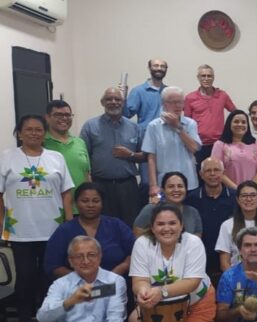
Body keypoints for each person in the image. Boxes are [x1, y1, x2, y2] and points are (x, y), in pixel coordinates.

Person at [0, 115, 74, 322]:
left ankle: (46, 320)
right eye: (29, 129)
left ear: (44, 133)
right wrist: (1, 221)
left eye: (39, 130)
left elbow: (67, 191)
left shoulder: (55, 158)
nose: (34, 133)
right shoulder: (8, 157)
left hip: (53, 229)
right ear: (19, 133)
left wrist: (68, 220)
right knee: (25, 278)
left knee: (50, 276)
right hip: (21, 231)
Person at [127, 204, 216, 322]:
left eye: (172, 223)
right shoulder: (141, 243)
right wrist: (143, 292)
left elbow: (191, 283)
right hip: (161, 305)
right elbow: (139, 281)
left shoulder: (193, 242)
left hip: (196, 302)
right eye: (160, 224)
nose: (166, 228)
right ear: (152, 227)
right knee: (135, 320)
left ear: (181, 226)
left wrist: (161, 292)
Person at [44, 183, 135, 282]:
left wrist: (117, 271)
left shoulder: (116, 225)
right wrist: (80, 281)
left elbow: (135, 252)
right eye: (85, 201)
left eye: (96, 201)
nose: (90, 205)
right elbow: (53, 265)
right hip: (75, 288)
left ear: (102, 203)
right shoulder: (64, 230)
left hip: (116, 283)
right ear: (76, 203)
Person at [80, 87, 143, 226]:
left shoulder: (134, 127)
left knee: (129, 224)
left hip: (127, 186)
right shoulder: (90, 126)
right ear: (102, 102)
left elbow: (145, 156)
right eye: (109, 99)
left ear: (123, 102)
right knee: (102, 225)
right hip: (100, 185)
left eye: (117, 99)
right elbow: (83, 157)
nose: (113, 102)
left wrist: (130, 155)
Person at [142, 86, 201, 199]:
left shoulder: (190, 124)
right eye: (173, 102)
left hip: (189, 183)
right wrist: (153, 185)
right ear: (164, 104)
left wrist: (178, 127)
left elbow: (194, 148)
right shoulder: (154, 126)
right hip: (164, 185)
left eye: (180, 102)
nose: (178, 106)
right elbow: (151, 158)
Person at [124, 58, 168, 204]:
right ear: (149, 68)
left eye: (162, 66)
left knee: (165, 181)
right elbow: (126, 114)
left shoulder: (168, 92)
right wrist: (122, 97)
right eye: (156, 65)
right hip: (146, 143)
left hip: (166, 141)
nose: (159, 68)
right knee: (147, 183)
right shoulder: (138, 91)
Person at [185, 158, 236, 284]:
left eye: (216, 170)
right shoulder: (191, 198)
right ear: (201, 175)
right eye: (208, 171)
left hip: (230, 259)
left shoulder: (235, 197)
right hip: (201, 259)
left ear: (223, 173)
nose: (212, 174)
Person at [215, 181, 257, 270]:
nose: (249, 199)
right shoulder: (227, 225)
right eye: (244, 196)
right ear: (238, 199)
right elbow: (224, 262)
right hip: (236, 279)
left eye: (253, 195)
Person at [184, 64, 237, 172]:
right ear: (198, 78)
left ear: (213, 78)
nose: (206, 79)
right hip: (199, 145)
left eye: (209, 76)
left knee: (219, 175)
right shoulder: (190, 98)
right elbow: (186, 123)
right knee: (201, 175)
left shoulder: (222, 95)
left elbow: (235, 113)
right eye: (203, 76)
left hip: (219, 144)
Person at [43, 100, 91, 199]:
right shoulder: (41, 143)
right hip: (54, 207)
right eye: (58, 115)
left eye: (68, 115)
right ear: (47, 118)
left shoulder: (79, 142)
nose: (64, 118)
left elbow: (86, 175)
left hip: (80, 207)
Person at [133, 172, 202, 237]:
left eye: (180, 186)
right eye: (171, 186)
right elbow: (138, 236)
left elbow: (196, 242)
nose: (176, 190)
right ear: (163, 190)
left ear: (186, 190)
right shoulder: (150, 210)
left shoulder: (193, 212)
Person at [211, 109, 257, 189]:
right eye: (236, 122)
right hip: (229, 192)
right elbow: (217, 171)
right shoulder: (220, 145)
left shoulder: (255, 143)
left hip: (252, 194)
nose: (240, 124)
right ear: (229, 124)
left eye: (244, 122)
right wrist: (237, 189)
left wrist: (249, 188)